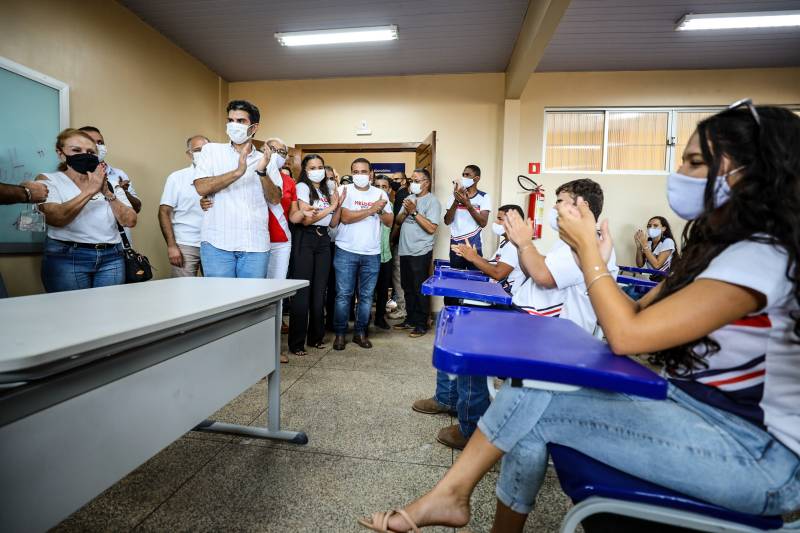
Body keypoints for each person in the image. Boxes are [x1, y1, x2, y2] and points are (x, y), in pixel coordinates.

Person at [359, 104, 800, 533]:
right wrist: (590, 253)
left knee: (535, 404)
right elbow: (626, 319)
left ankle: (451, 496)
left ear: (751, 172)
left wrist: (590, 249)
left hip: (757, 455)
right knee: (530, 403)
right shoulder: (718, 252)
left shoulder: (762, 256)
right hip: (695, 411)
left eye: (694, 162)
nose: (679, 173)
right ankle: (459, 502)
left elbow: (626, 336)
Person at [507, 179, 618, 335]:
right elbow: (531, 272)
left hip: (551, 331)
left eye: (560, 201)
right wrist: (520, 245)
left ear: (583, 206)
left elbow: (543, 276)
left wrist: (525, 243)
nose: (554, 207)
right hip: (531, 319)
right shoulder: (568, 241)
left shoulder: (591, 241)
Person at [37, 128, 137, 292]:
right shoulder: (49, 180)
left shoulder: (111, 182)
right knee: (72, 313)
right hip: (67, 258)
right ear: (61, 154)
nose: (85, 155)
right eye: (76, 150)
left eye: (90, 151)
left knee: (110, 314)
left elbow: (130, 220)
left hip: (112, 258)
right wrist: (90, 190)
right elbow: (56, 218)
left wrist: (107, 192)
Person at [193, 100, 281, 278]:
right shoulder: (211, 151)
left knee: (253, 303)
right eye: (230, 120)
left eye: (241, 121)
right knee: (220, 302)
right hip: (217, 243)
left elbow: (275, 198)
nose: (234, 125)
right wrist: (238, 172)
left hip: (254, 244)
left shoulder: (266, 158)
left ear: (254, 127)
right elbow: (201, 187)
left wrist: (262, 171)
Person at [332, 158, 393, 350]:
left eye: (363, 171)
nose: (360, 175)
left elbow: (389, 221)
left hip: (371, 253)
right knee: (343, 295)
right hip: (346, 250)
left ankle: (360, 333)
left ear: (371, 173)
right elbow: (346, 218)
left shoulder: (380, 193)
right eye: (355, 171)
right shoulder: (343, 191)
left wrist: (380, 210)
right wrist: (372, 209)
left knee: (366, 297)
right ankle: (340, 334)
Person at [288, 154, 343, 356]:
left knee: (320, 290)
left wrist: (337, 205)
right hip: (306, 238)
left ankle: (316, 337)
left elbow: (333, 223)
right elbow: (305, 220)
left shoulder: (327, 189)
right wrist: (331, 206)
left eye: (320, 166)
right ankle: (296, 343)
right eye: (312, 167)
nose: (317, 170)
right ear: (305, 169)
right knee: (303, 291)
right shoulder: (302, 187)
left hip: (323, 240)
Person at [393, 168, 441, 337]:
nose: (412, 183)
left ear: (426, 183)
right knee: (407, 287)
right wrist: (406, 211)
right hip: (405, 249)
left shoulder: (432, 202)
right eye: (411, 180)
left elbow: (431, 228)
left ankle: (422, 323)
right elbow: (398, 221)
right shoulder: (408, 198)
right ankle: (411, 319)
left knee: (419, 288)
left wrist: (414, 211)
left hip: (420, 251)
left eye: (416, 180)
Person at [78, 126, 141, 245]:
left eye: (100, 142)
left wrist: (123, 193)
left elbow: (137, 209)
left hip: (119, 247)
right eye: (91, 141)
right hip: (83, 249)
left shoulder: (118, 174)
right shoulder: (71, 176)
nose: (97, 146)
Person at [158, 135, 209, 278]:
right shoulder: (177, 178)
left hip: (214, 244)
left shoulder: (220, 177)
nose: (203, 153)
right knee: (183, 291)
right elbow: (163, 212)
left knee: (215, 290)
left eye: (207, 149)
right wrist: (172, 246)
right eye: (198, 150)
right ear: (189, 154)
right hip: (186, 243)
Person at [451, 204, 526, 296]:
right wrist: (473, 255)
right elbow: (492, 265)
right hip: (496, 292)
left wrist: (474, 257)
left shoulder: (513, 246)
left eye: (500, 219)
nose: (496, 222)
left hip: (504, 298)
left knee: (458, 293)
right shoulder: (506, 243)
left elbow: (498, 273)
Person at [443, 164, 491, 271]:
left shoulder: (483, 197)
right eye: (463, 174)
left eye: (467, 175)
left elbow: (483, 223)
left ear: (476, 179)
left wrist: (468, 205)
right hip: (456, 245)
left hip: (474, 246)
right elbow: (447, 221)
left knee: (474, 280)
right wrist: (456, 201)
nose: (464, 177)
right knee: (456, 279)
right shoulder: (453, 196)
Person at [264, 138, 297, 282]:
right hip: (256, 239)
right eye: (273, 149)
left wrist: (303, 212)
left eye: (282, 152)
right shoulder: (252, 174)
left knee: (277, 287)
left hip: (281, 239)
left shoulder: (289, 182)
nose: (277, 154)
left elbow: (293, 213)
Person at [372, 175, 395, 330]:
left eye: (384, 186)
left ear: (389, 189)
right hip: (368, 253)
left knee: (382, 289)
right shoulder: (366, 204)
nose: (381, 189)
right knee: (365, 290)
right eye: (377, 186)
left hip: (385, 253)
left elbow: (390, 225)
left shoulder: (390, 206)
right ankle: (364, 316)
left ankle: (380, 317)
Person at [387, 171, 410, 321]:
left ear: (404, 181)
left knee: (399, 276)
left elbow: (397, 222)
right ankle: (403, 306)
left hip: (400, 241)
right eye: (392, 180)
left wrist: (392, 239)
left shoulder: (402, 195)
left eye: (397, 179)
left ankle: (403, 308)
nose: (394, 182)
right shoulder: (399, 195)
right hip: (404, 242)